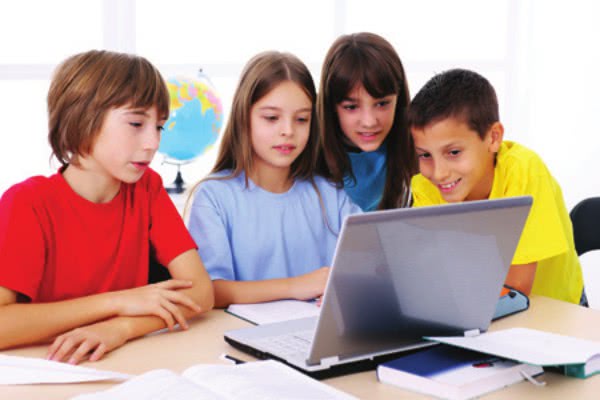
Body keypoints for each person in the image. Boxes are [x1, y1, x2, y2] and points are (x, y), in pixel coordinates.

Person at [0, 50, 214, 364]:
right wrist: (118, 302)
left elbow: (201, 294)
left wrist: (122, 328)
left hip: (125, 362)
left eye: (159, 127)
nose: (153, 143)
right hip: (51, 368)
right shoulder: (27, 203)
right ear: (81, 118)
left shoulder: (147, 188)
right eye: (137, 123)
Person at [187, 51, 360, 308]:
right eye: (271, 118)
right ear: (243, 117)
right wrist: (295, 286)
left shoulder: (329, 194)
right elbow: (210, 291)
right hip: (241, 336)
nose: (288, 131)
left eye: (302, 119)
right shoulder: (214, 196)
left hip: (315, 334)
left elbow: (369, 263)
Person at [409, 68, 584, 304]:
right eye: (425, 155)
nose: (439, 173)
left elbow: (517, 291)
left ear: (493, 138)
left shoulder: (524, 171)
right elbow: (435, 274)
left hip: (556, 311)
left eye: (453, 152)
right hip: (482, 310)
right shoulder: (424, 185)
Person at [317, 32, 417, 211]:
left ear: (398, 99)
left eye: (382, 104)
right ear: (331, 105)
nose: (369, 122)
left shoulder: (416, 149)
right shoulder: (309, 154)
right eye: (351, 107)